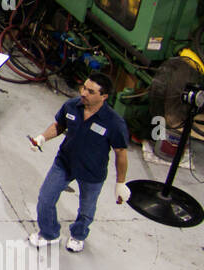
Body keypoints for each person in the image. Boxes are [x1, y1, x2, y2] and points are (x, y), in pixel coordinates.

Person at [27, 71, 130, 252]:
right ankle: (50, 234)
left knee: (86, 209)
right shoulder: (72, 106)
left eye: (90, 91)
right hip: (65, 162)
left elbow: (121, 152)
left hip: (92, 172)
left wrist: (120, 182)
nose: (83, 93)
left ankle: (78, 235)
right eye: (84, 87)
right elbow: (59, 125)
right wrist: (42, 138)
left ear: (103, 96)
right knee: (45, 198)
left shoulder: (114, 123)